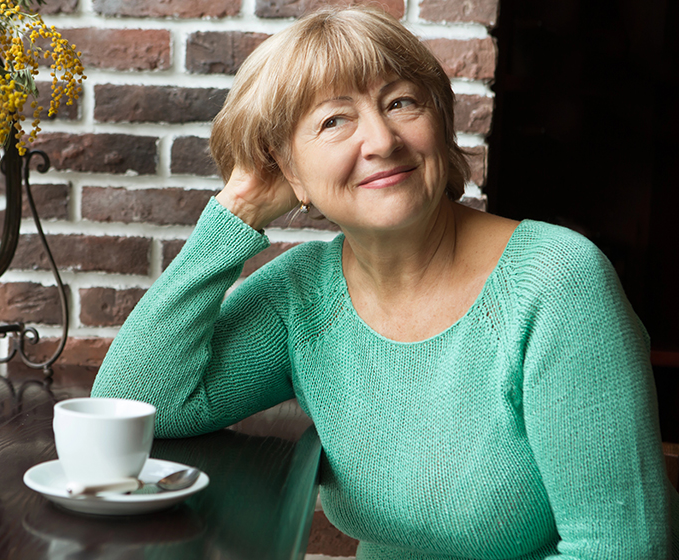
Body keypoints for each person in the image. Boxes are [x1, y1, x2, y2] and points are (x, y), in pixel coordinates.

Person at [92, 6, 678, 558]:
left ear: (441, 124)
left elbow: (622, 547)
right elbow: (138, 405)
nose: (381, 140)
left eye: (401, 103)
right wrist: (236, 213)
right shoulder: (303, 293)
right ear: (287, 168)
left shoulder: (558, 284)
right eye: (333, 120)